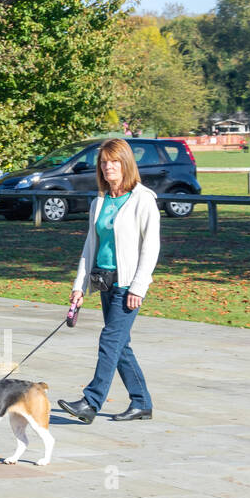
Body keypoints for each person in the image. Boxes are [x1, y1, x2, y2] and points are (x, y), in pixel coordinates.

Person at [59, 138, 160, 423]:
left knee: (109, 340)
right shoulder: (99, 202)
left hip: (128, 284)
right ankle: (141, 403)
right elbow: (90, 247)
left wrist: (139, 287)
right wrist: (79, 286)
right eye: (103, 162)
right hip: (104, 280)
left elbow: (150, 248)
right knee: (120, 345)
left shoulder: (143, 199)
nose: (108, 167)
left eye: (114, 161)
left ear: (126, 164)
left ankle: (91, 402)